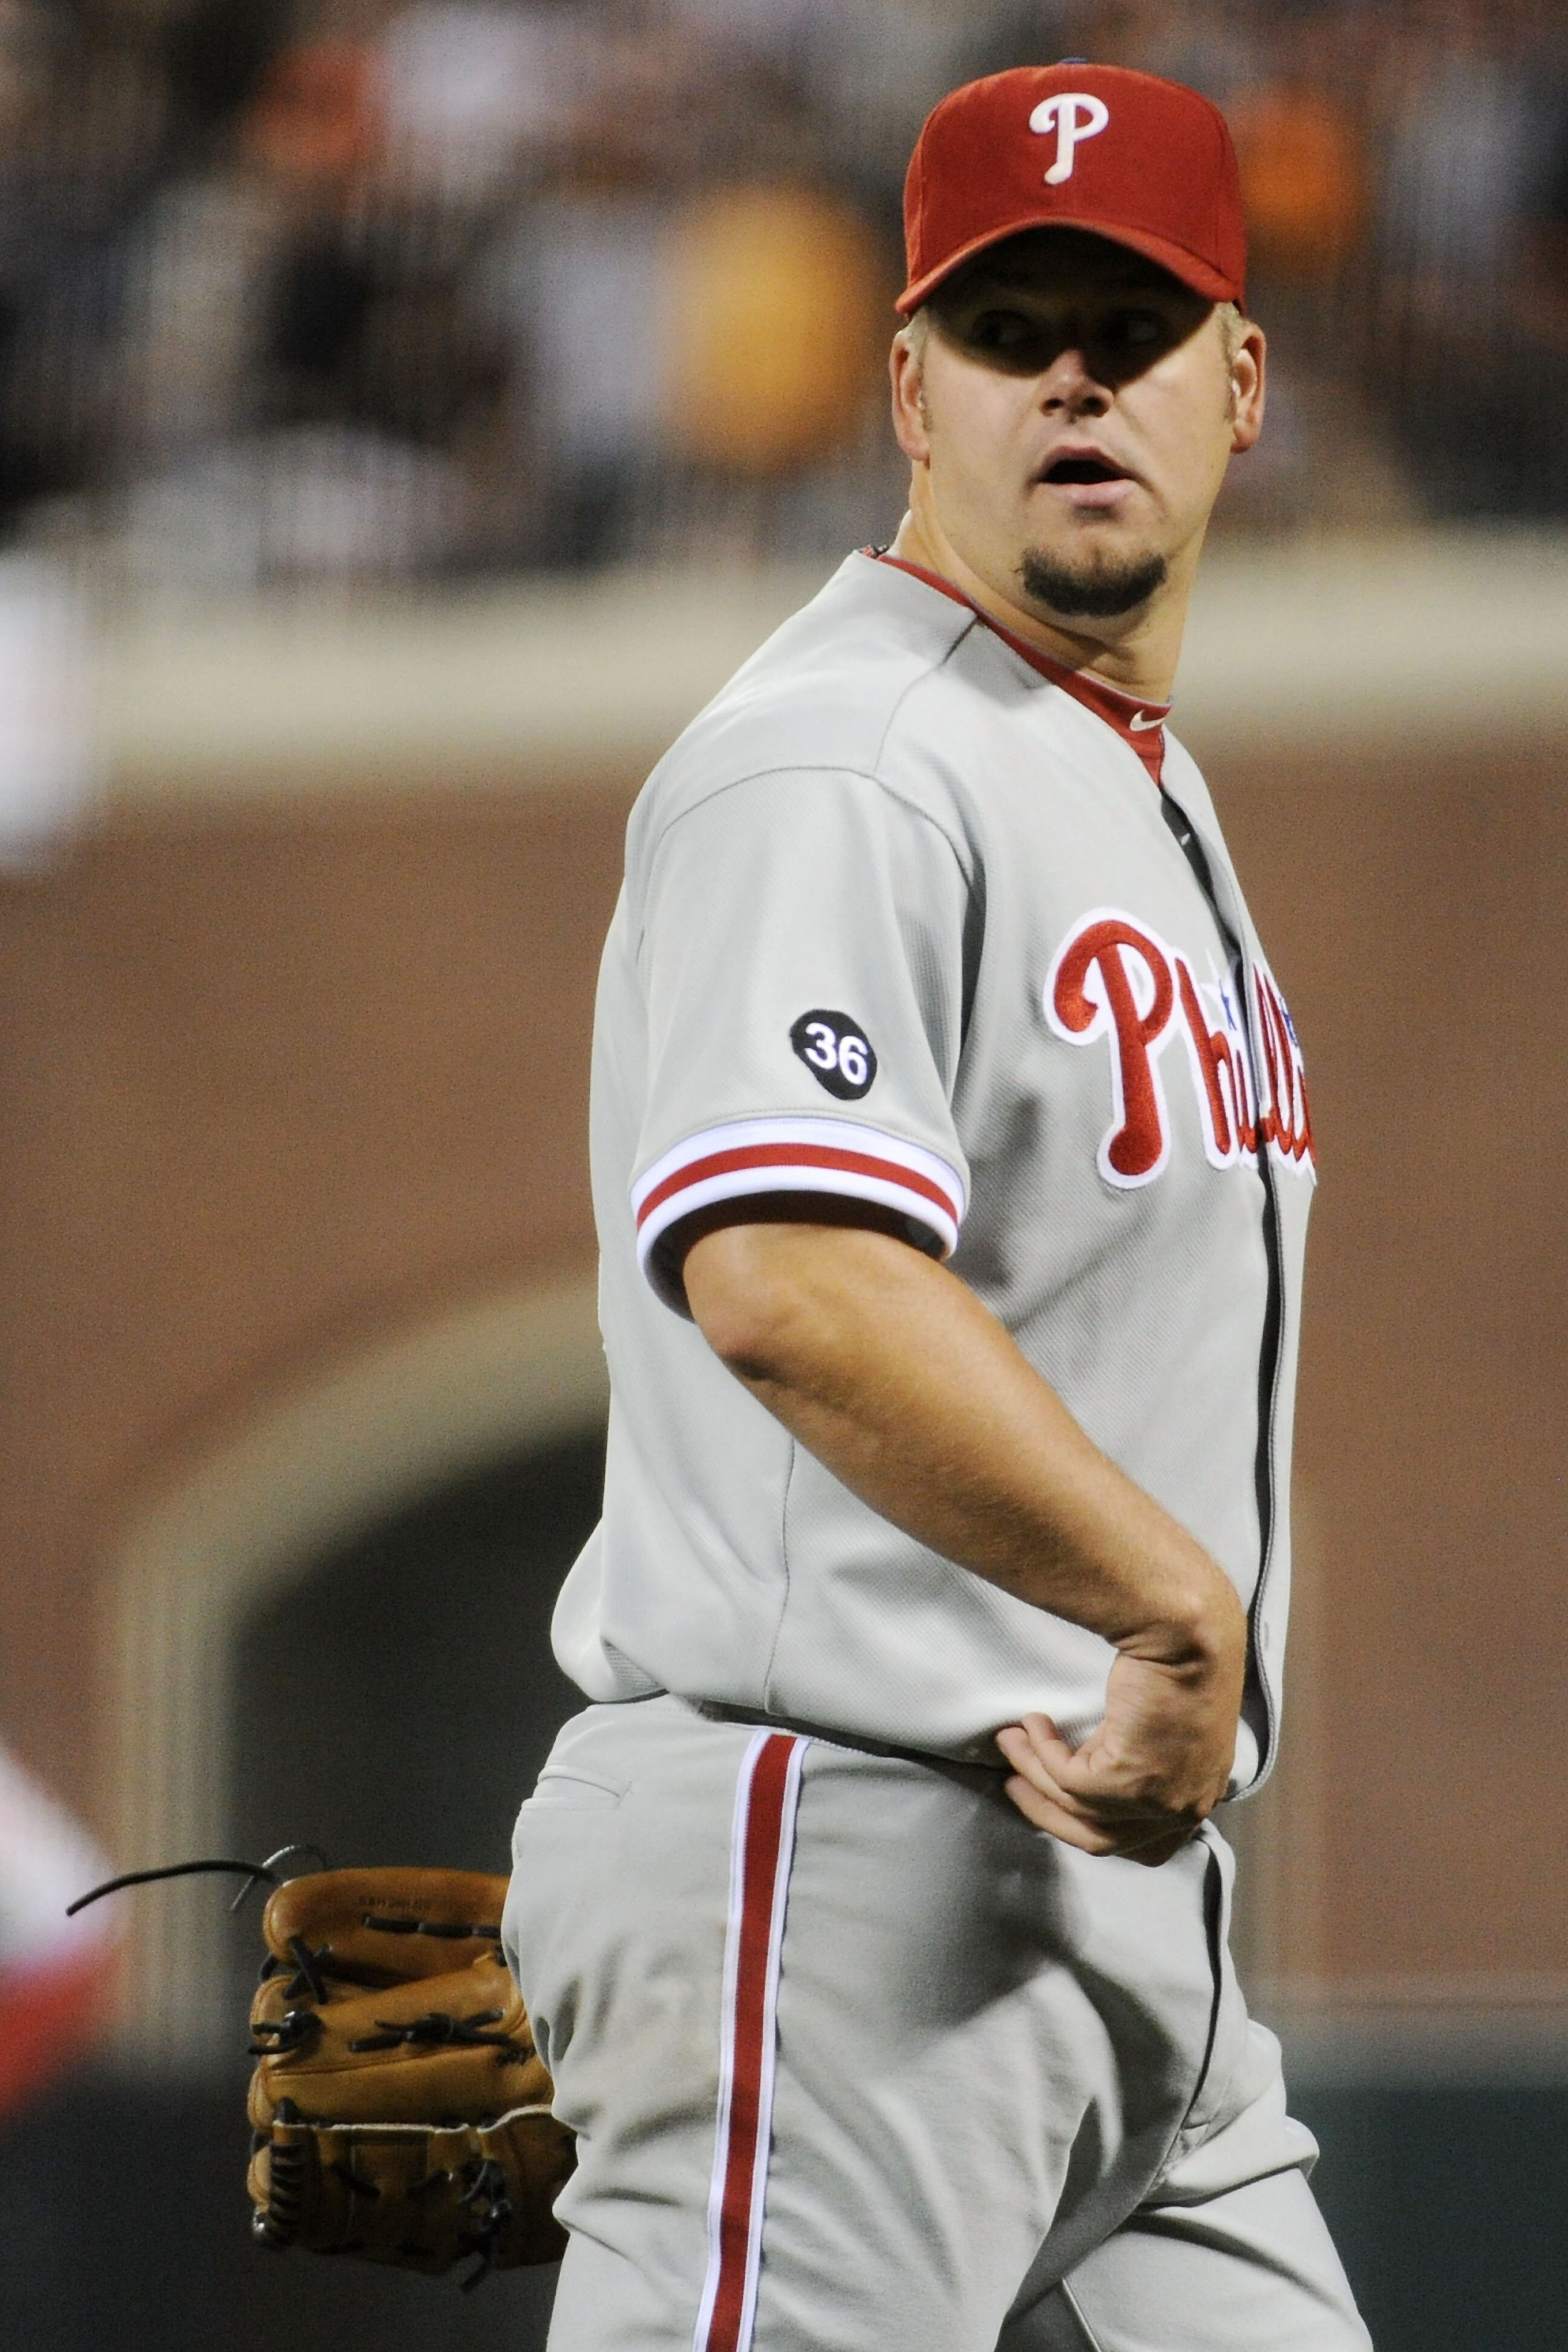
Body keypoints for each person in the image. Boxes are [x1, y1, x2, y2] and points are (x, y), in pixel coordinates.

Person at [503, 59, 1370, 2352]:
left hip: (1123, 1926)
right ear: (909, 387)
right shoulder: (845, 755)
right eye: (1010, 330)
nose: (1075, 375)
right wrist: (1176, 1616)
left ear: (1241, 383)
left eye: (1135, 319)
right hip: (844, 1866)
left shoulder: (1115, 778)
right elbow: (787, 1276)